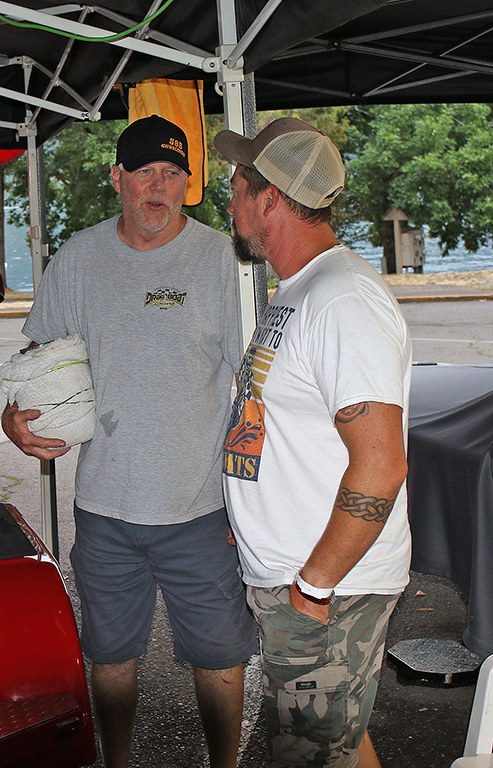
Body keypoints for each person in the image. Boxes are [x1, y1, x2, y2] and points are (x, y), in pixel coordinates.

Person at [2, 115, 257, 768]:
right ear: (117, 177)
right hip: (105, 506)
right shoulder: (78, 259)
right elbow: (36, 362)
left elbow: (253, 386)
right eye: (144, 169)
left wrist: (254, 500)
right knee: (111, 656)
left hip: (200, 509)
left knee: (222, 659)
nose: (157, 184)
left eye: (172, 173)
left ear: (187, 186)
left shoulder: (221, 260)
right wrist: (14, 417)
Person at [214, 117, 412, 768]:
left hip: (329, 587)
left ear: (268, 197)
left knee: (311, 751)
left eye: (237, 181)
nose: (230, 195)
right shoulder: (302, 290)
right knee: (336, 739)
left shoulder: (340, 300)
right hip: (298, 575)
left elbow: (380, 466)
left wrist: (313, 590)